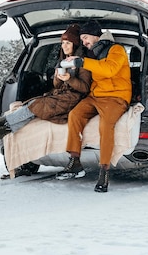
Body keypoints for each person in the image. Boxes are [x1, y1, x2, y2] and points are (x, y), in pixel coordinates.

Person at [55, 20, 132, 193]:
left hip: (116, 97)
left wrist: (82, 62)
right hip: (96, 96)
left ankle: (104, 170)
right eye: (81, 39)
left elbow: (109, 69)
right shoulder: (91, 54)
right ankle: (75, 161)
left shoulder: (116, 50)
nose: (84, 42)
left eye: (85, 38)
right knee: (75, 114)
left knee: (105, 125)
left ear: (96, 36)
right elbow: (87, 74)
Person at [0, 24, 92, 139]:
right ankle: (5, 129)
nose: (64, 46)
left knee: (37, 105)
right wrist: (58, 78)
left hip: (73, 98)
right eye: (62, 43)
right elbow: (56, 85)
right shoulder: (62, 61)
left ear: (75, 44)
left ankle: (2, 122)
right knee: (34, 104)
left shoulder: (82, 62)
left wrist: (70, 79)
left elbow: (85, 88)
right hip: (61, 96)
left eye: (68, 43)